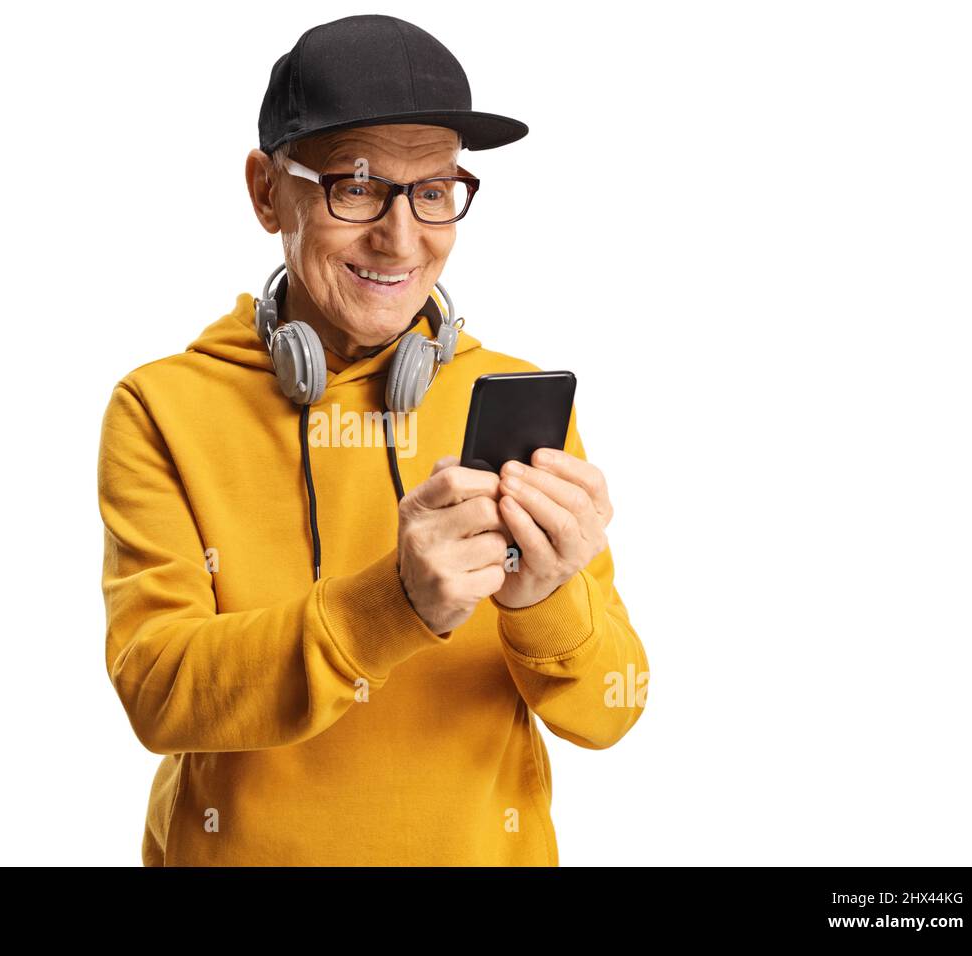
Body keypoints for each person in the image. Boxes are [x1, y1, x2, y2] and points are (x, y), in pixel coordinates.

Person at [96, 14, 650, 866]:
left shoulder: (510, 402)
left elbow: (610, 711)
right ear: (265, 189)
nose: (401, 238)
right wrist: (395, 606)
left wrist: (543, 599)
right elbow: (158, 693)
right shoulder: (160, 408)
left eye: (433, 191)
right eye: (355, 188)